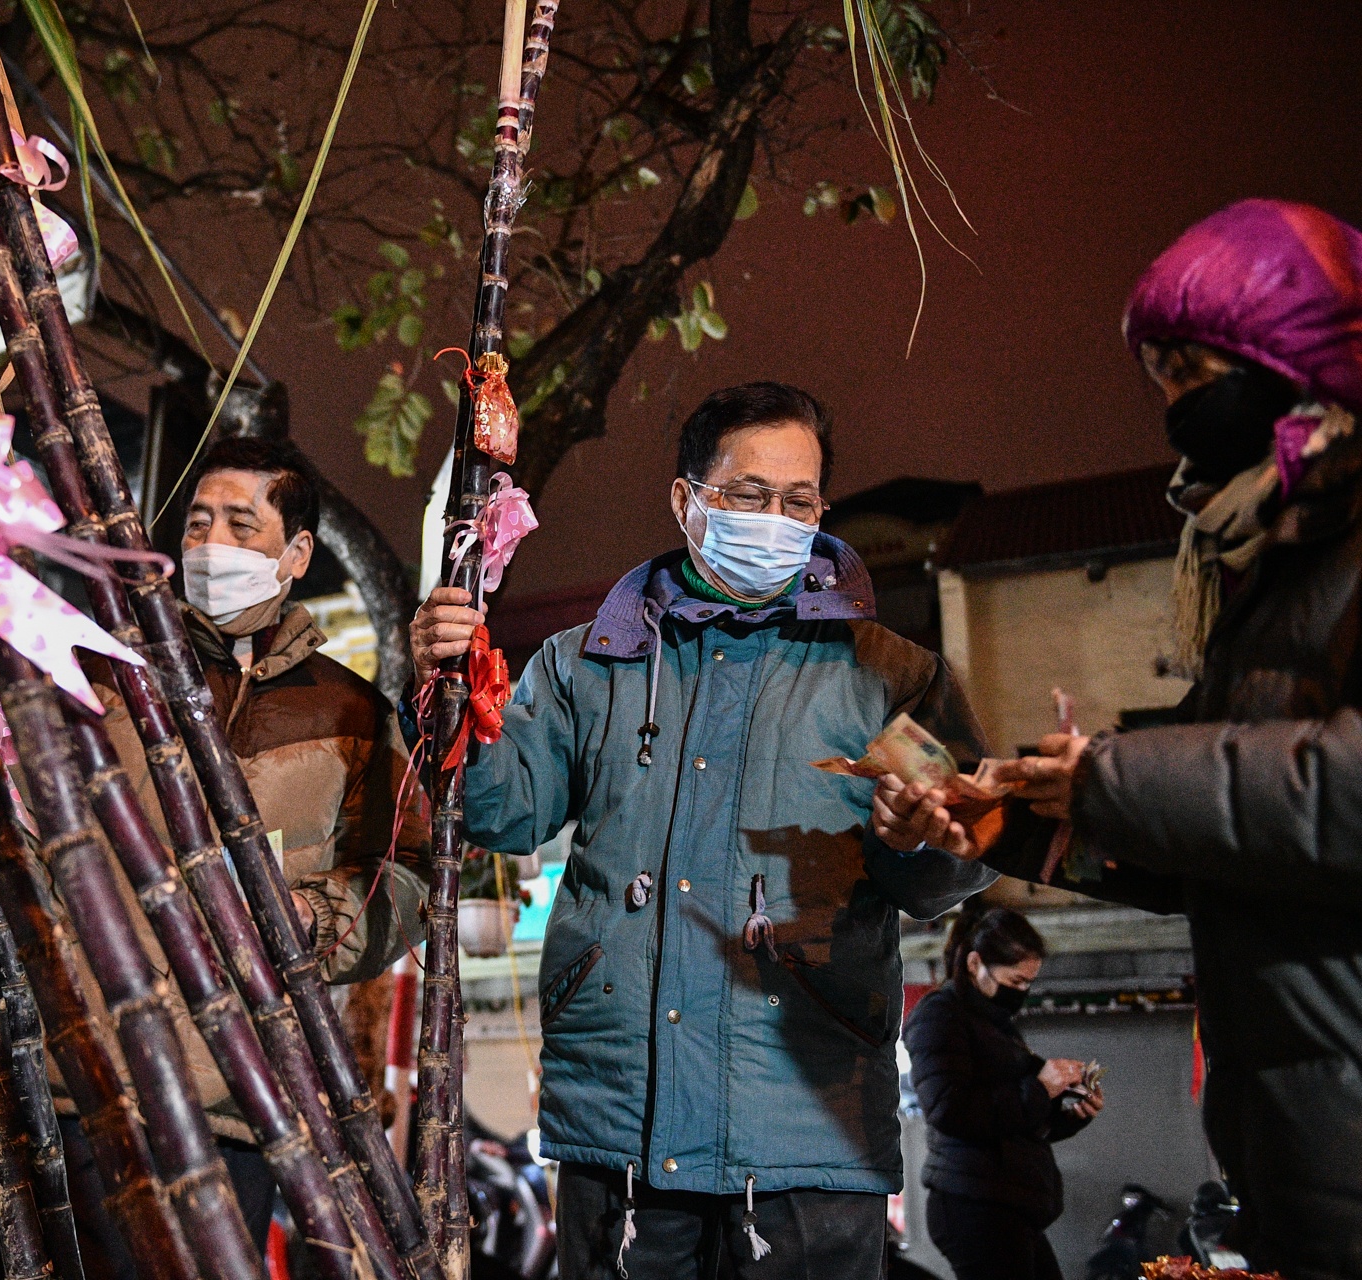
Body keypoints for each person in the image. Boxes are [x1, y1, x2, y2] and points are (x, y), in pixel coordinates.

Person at [411, 382, 998, 1279]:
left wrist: (920, 836)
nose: (777, 521)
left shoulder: (886, 676)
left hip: (808, 1123)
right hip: (621, 1124)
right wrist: (448, 695)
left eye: (799, 502)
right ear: (687, 501)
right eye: (749, 495)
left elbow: (961, 850)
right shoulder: (588, 663)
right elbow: (502, 809)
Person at [0, 435, 428, 1272]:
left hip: (245, 1108)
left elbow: (406, 874)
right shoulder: (103, 677)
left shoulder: (350, 714)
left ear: (296, 555)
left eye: (242, 525)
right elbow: (15, 841)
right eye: (199, 522)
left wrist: (314, 916)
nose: (213, 544)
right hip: (86, 1093)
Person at [975, 200, 1362, 1280]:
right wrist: (1012, 821)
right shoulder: (1271, 571)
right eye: (1161, 383)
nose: (1178, 412)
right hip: (1301, 1155)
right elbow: (1229, 843)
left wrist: (1109, 775)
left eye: (1194, 372)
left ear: (1295, 356)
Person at [904, 900, 1103, 1280]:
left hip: (1006, 1204)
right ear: (975, 963)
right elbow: (949, 1110)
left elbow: (1011, 1122)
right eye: (1015, 982)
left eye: (1029, 983)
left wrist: (1069, 1114)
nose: (1022, 992)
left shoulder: (994, 1024)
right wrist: (1041, 1087)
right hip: (975, 1205)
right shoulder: (939, 1015)